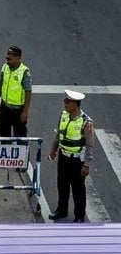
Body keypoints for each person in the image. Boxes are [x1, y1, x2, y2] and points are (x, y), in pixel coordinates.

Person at [48, 89, 94, 222]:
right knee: (62, 185)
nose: (65, 104)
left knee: (78, 190)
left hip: (76, 161)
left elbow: (90, 145)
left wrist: (86, 165)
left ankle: (79, 217)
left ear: (76, 104)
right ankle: (61, 210)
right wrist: (53, 150)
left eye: (68, 102)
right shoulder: (63, 115)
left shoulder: (86, 122)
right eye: (65, 101)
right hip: (63, 157)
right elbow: (58, 135)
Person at [0, 45, 32, 137]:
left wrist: (25, 111)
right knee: (4, 134)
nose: (7, 58)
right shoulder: (5, 67)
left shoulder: (24, 72)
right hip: (5, 107)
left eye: (10, 56)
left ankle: (23, 151)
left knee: (20, 136)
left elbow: (28, 92)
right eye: (7, 55)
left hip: (18, 110)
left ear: (17, 57)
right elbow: (1, 85)